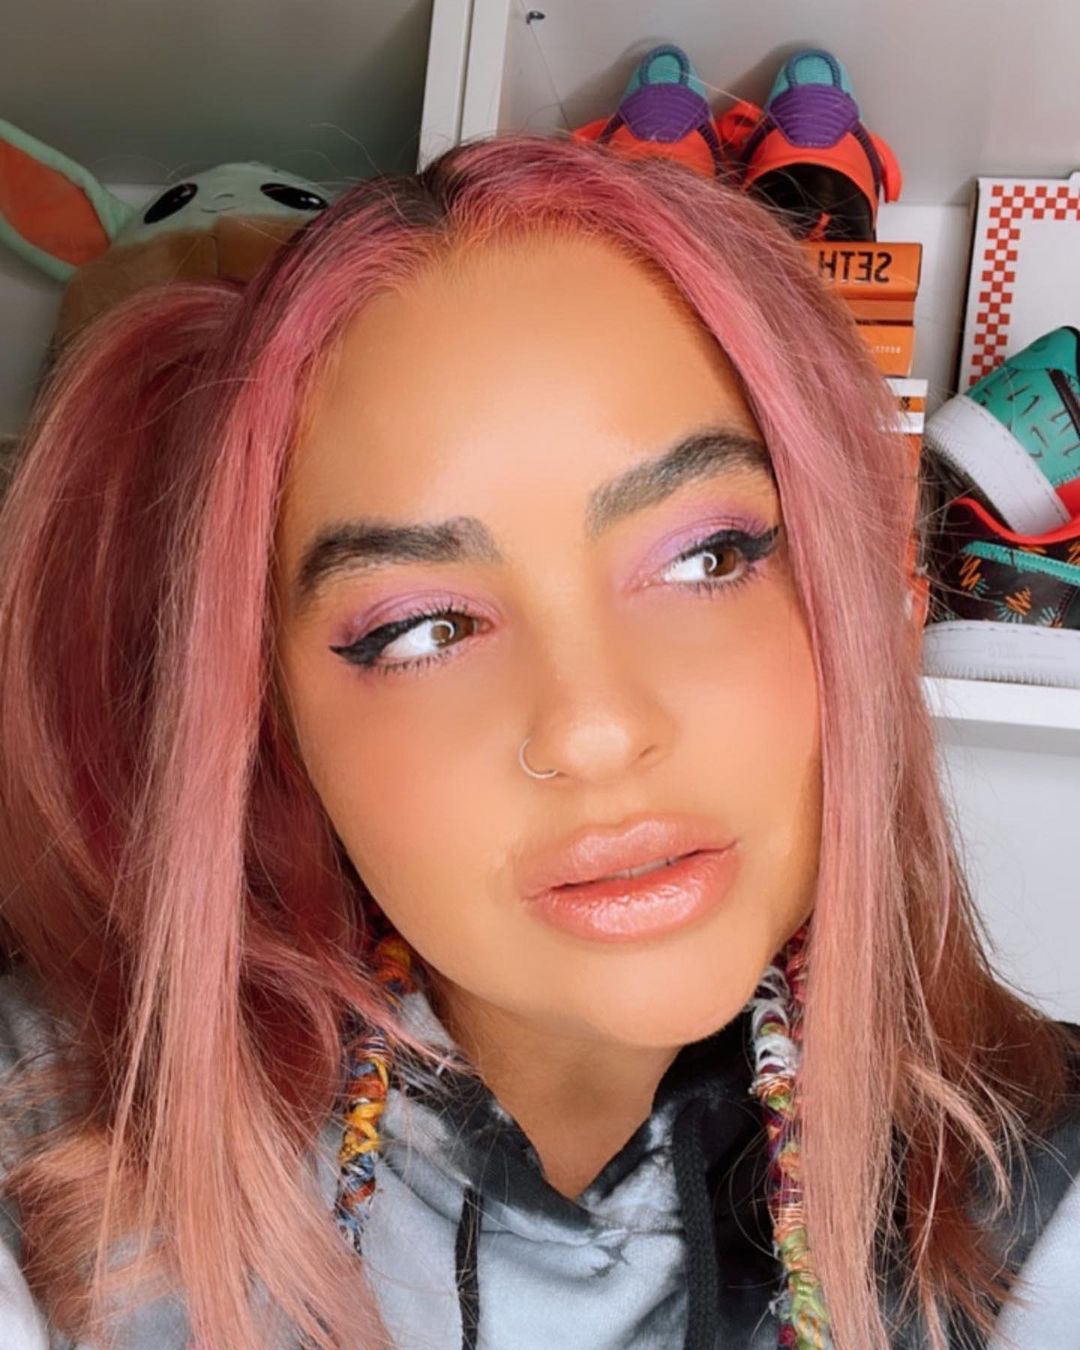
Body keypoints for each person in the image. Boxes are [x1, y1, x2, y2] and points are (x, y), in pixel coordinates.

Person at [0, 131, 1076, 1350]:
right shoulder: (55, 1140)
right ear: (270, 715)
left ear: (870, 588)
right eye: (423, 629)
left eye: (707, 559)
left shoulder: (1040, 1189)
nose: (596, 727)